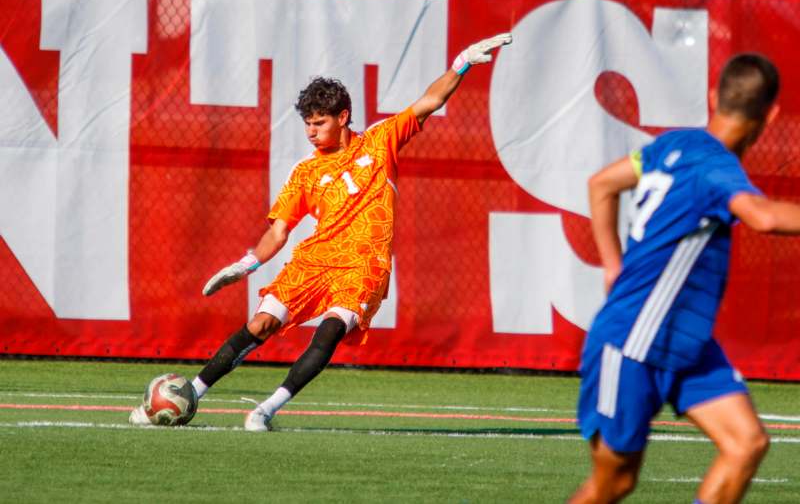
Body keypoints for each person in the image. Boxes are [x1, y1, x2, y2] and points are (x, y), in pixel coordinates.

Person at [130, 33, 512, 431]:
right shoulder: (305, 172)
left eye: (319, 122)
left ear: (343, 117)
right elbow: (278, 233)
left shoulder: (380, 142)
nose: (311, 131)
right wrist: (246, 263)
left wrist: (461, 63)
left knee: (330, 331)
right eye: (307, 124)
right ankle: (189, 394)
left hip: (364, 263)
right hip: (315, 259)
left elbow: (430, 101)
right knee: (260, 324)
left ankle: (265, 410)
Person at [568, 53, 800, 504]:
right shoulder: (715, 168)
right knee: (613, 483)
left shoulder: (673, 147)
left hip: (684, 342)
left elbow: (601, 183)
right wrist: (616, 268)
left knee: (745, 444)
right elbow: (763, 217)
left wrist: (613, 264)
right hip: (631, 342)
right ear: (771, 114)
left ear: (714, 96)